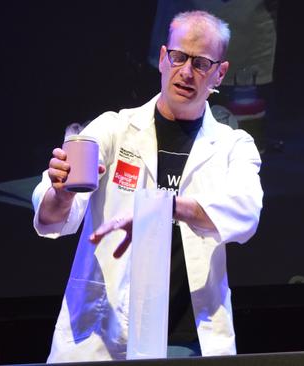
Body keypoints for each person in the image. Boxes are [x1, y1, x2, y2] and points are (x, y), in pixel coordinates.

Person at [31, 10, 263, 362]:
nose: (186, 72)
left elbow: (246, 213)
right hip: (101, 336)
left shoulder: (234, 146)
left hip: (187, 339)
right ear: (162, 58)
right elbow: (52, 219)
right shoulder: (113, 129)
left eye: (201, 63)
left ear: (220, 72)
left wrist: (163, 207)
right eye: (179, 57)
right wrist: (61, 192)